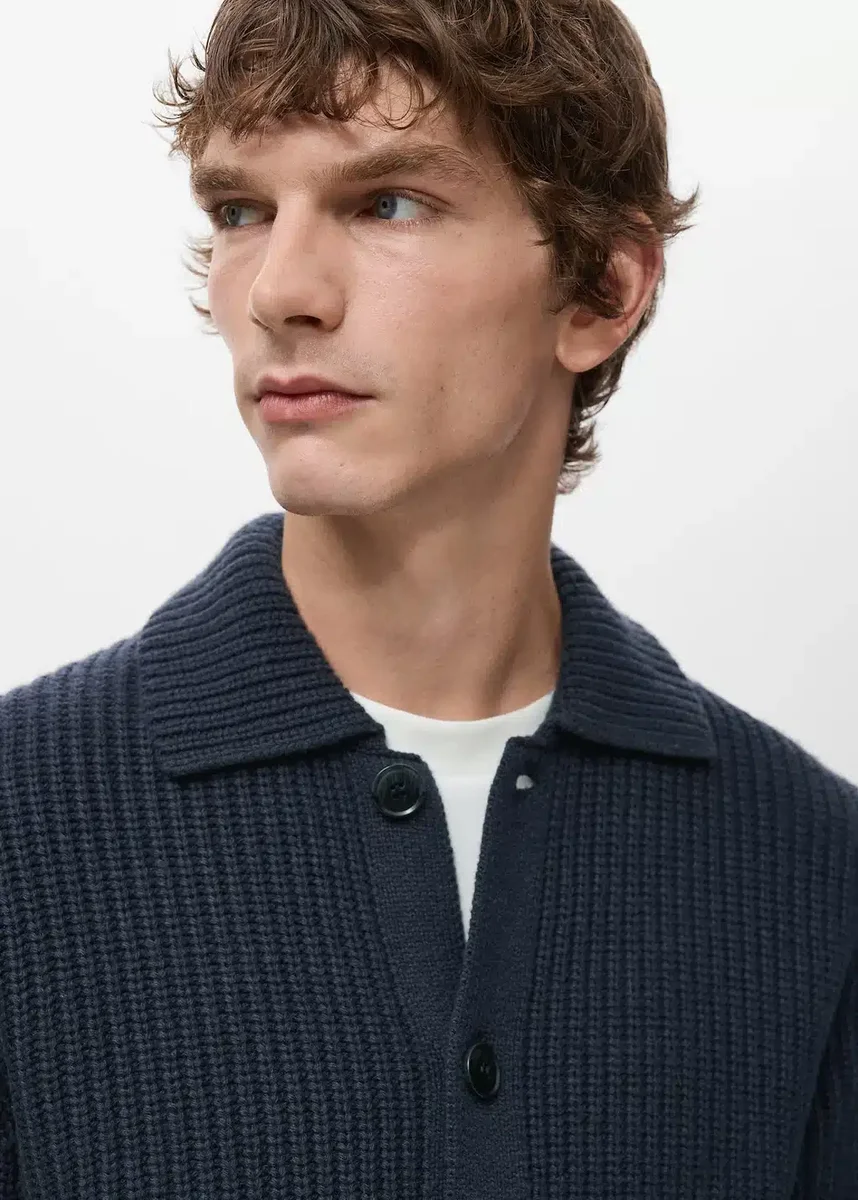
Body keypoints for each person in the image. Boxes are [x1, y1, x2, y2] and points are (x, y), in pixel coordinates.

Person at [1, 0, 855, 1195]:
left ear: (602, 290)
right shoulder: (24, 824)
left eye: (387, 203)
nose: (279, 291)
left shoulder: (811, 865)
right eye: (241, 210)